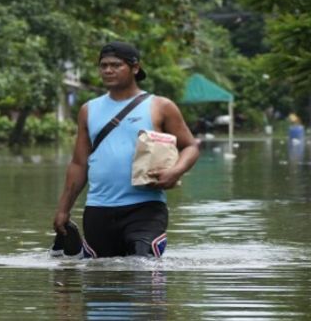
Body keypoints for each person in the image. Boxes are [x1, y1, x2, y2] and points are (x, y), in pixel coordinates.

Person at [52, 41, 200, 258]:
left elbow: (190, 147)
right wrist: (63, 209)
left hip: (145, 207)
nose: (108, 70)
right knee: (101, 282)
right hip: (98, 209)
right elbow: (79, 163)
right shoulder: (88, 110)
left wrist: (176, 171)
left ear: (135, 68)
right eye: (103, 66)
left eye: (116, 65)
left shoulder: (160, 106)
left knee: (143, 268)